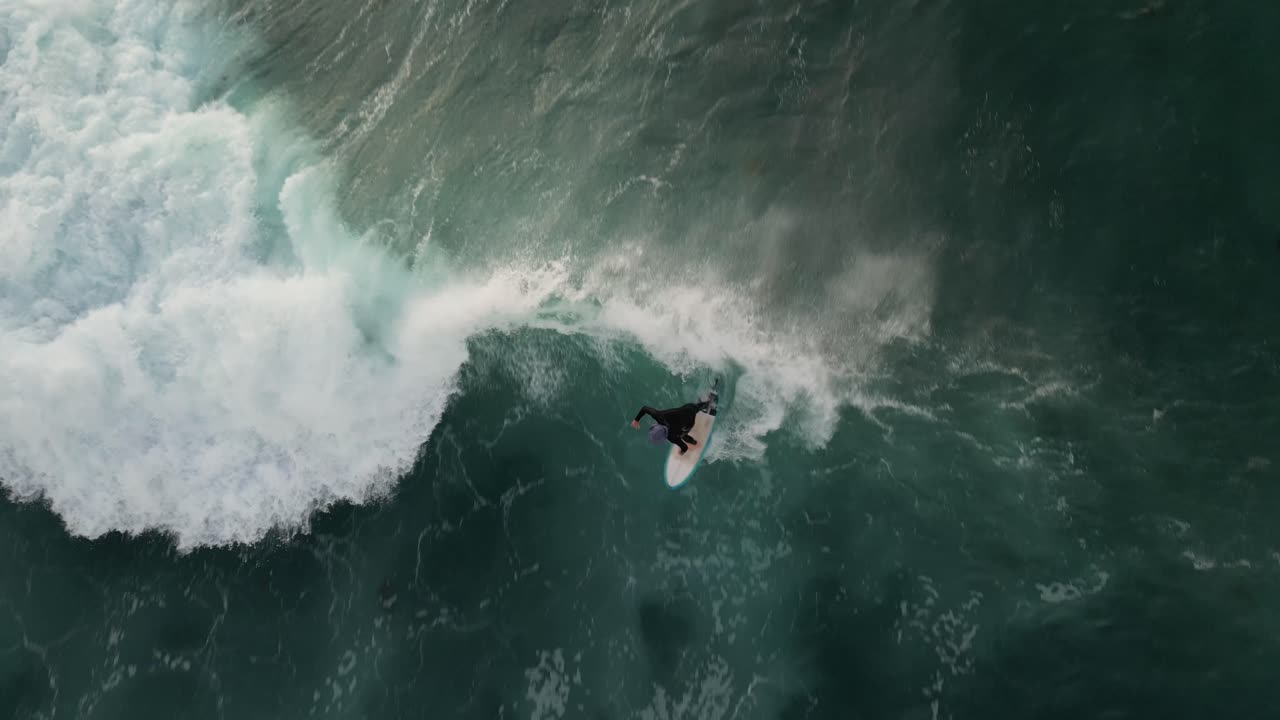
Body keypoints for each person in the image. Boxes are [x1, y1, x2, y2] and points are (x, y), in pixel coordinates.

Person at [631, 391, 716, 454]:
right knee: (697, 407)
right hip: (687, 408)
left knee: (683, 436)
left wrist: (681, 452)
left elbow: (684, 447)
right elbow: (645, 408)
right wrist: (636, 420)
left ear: (664, 438)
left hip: (689, 422)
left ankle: (696, 444)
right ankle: (709, 401)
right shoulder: (659, 416)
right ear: (655, 426)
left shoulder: (671, 437)